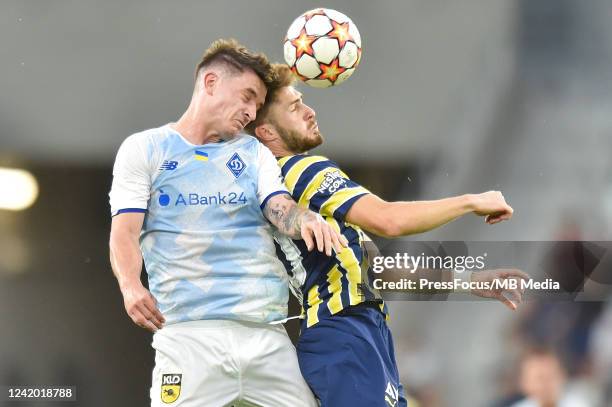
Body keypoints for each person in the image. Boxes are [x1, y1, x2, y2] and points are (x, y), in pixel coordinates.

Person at [246, 63, 529, 407]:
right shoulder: (301, 171)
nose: (309, 111)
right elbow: (388, 220)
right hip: (343, 336)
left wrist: (469, 280)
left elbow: (378, 269)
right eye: (294, 107)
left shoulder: (289, 188)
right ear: (266, 133)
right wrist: (471, 201)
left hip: (358, 334)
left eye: (304, 101)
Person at [108, 40, 346, 407]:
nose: (251, 112)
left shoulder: (253, 152)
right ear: (211, 82)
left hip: (266, 336)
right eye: (247, 96)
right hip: (189, 338)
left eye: (257, 103)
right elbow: (124, 232)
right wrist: (129, 286)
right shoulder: (145, 149)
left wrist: (305, 219)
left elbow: (279, 207)